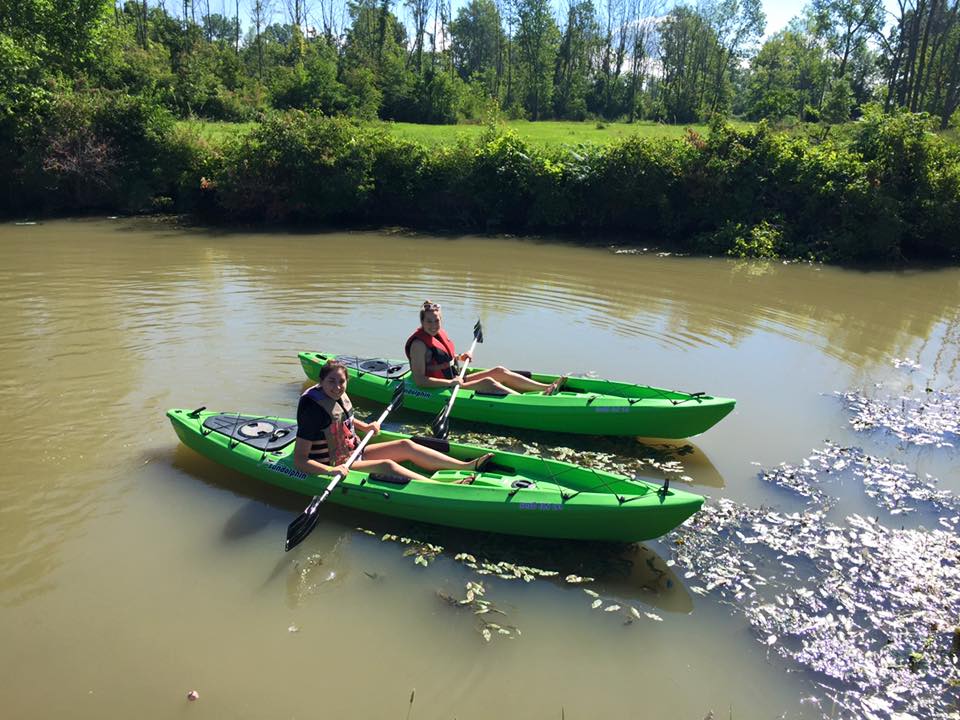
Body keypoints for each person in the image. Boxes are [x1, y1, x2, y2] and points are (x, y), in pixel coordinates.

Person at [294, 359, 493, 484]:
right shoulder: (312, 409)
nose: (337, 387)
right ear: (321, 382)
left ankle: (467, 466)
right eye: (331, 381)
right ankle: (440, 488)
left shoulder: (338, 396)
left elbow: (343, 421)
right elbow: (300, 460)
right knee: (387, 465)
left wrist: (366, 426)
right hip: (334, 463)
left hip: (354, 452)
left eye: (341, 382)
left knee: (406, 445)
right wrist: (331, 470)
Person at [405, 300, 565, 396]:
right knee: (489, 382)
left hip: (456, 378)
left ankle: (546, 388)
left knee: (499, 371)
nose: (434, 325)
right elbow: (420, 381)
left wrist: (460, 356)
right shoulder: (419, 345)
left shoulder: (437, 333)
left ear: (441, 319)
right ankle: (527, 402)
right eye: (429, 322)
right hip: (442, 386)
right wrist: (450, 383)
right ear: (422, 322)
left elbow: (442, 357)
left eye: (437, 321)